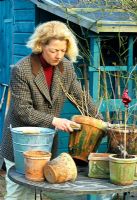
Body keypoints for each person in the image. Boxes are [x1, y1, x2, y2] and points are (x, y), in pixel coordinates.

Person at [1, 21, 112, 200]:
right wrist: (55, 121)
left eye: (62, 50)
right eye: (53, 50)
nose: (58, 55)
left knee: (37, 191)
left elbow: (80, 97)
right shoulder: (22, 69)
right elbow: (23, 111)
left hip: (45, 142)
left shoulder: (66, 67)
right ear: (41, 45)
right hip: (21, 141)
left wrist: (102, 122)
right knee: (19, 192)